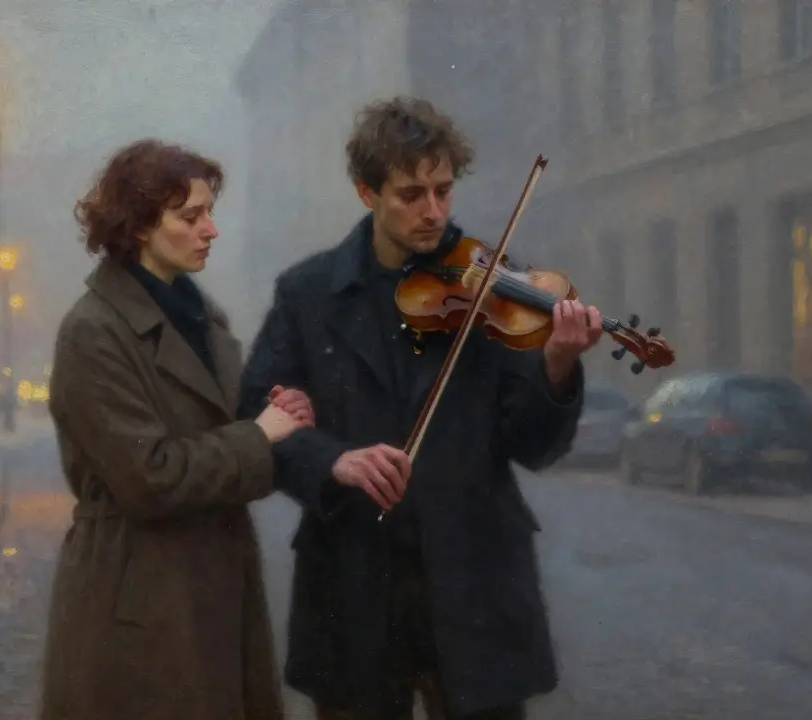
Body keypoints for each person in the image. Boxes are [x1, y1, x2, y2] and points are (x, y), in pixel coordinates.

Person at [239, 97, 604, 720]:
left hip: (474, 584)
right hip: (353, 583)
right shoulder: (308, 294)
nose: (433, 211)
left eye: (442, 190)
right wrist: (334, 463)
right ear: (366, 192)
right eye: (411, 194)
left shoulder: (492, 285)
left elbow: (535, 447)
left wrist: (558, 367)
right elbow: (255, 419)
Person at [40, 139, 312, 720]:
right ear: (139, 225)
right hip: (139, 601)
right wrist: (258, 435)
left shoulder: (200, 317)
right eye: (191, 217)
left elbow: (222, 435)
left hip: (212, 588)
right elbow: (150, 476)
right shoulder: (93, 331)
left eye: (209, 212)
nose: (210, 230)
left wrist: (271, 417)